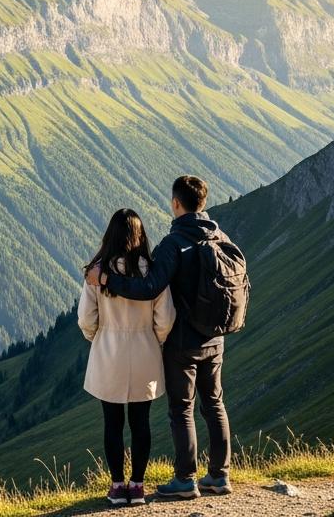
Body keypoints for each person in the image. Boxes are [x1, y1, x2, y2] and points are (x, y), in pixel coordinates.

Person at [86, 176, 234, 499]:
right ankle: (218, 476)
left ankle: (183, 479)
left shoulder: (172, 244)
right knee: (213, 404)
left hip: (178, 343)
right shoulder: (219, 236)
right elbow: (162, 314)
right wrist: (154, 338)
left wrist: (107, 279)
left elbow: (146, 290)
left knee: (178, 410)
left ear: (176, 203)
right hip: (214, 336)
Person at [78, 208, 175, 507]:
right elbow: (166, 318)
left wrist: (100, 337)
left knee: (112, 423)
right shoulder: (151, 271)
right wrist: (152, 339)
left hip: (109, 351)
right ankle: (138, 486)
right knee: (141, 423)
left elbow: (85, 318)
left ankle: (117, 486)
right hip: (144, 350)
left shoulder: (97, 271)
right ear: (139, 235)